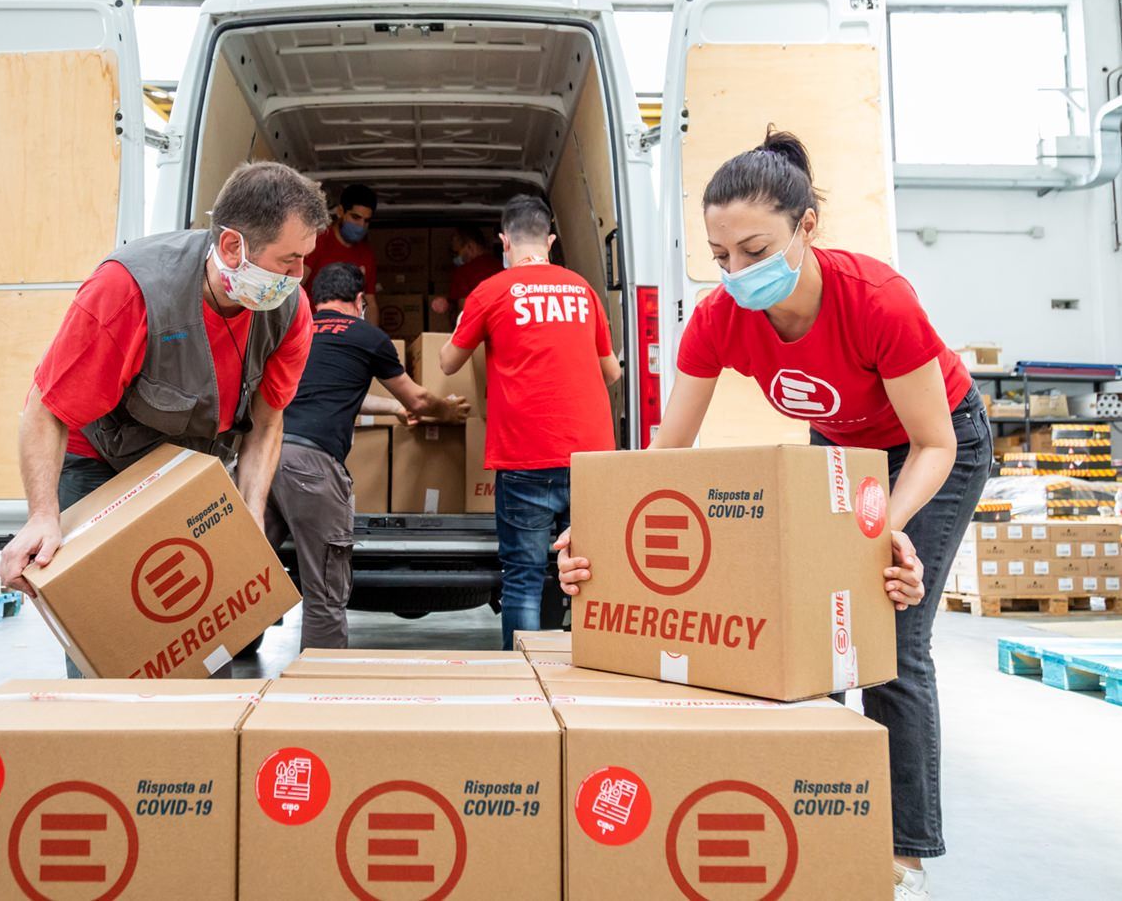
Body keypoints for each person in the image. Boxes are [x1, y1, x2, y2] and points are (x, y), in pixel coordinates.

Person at [555, 128, 988, 901]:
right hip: (844, 449)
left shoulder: (876, 301)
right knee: (814, 632)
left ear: (806, 227)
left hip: (931, 447)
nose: (735, 273)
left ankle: (904, 853)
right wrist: (599, 527)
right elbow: (668, 449)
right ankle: (821, 816)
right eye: (720, 257)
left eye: (754, 251)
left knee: (886, 632)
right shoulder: (721, 318)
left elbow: (931, 443)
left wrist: (881, 530)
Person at [0, 161, 328, 676]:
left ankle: (176, 747)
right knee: (106, 630)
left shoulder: (289, 311)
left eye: (304, 260)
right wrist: (43, 515)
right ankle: (108, 732)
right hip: (102, 462)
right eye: (288, 261)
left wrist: (251, 514)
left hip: (189, 470)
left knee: (196, 633)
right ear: (234, 247)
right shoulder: (129, 291)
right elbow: (47, 409)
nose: (297, 277)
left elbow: (267, 424)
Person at [439, 195, 621, 650]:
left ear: (504, 242)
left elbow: (446, 363)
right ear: (552, 240)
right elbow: (612, 372)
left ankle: (521, 679)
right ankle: (595, 667)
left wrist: (465, 321)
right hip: (591, 457)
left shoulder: (491, 291)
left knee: (522, 575)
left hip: (526, 457)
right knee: (591, 569)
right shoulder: (582, 289)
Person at [268, 262, 469, 648]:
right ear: (360, 300)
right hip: (314, 470)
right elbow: (419, 398)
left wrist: (392, 411)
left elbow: (331, 394)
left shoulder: (291, 333)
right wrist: (448, 410)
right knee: (324, 594)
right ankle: (320, 696)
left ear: (314, 299)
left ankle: (214, 683)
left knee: (240, 578)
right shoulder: (366, 336)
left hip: (266, 462)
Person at [302, 183, 380, 325]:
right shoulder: (318, 240)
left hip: (346, 333)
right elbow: (296, 284)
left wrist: (371, 337)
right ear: (340, 212)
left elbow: (370, 303)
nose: (361, 225)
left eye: (366, 221)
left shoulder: (366, 254)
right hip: (310, 329)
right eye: (356, 217)